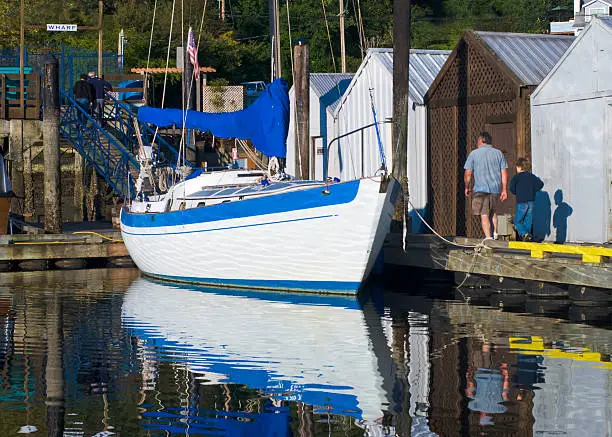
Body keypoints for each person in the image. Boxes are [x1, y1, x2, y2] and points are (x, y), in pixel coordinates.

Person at [464, 132, 508, 240]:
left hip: (480, 189)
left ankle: (488, 237)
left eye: (477, 140)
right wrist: (504, 190)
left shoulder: (474, 154)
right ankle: (496, 232)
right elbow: (504, 173)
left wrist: (467, 186)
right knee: (492, 211)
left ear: (481, 141)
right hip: (495, 189)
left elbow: (468, 173)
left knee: (484, 214)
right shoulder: (498, 154)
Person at [509, 157, 544, 241]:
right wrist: (532, 190)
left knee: (517, 221)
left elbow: (512, 188)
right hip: (531, 202)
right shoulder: (532, 176)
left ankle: (525, 234)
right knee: (528, 221)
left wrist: (518, 192)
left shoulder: (516, 177)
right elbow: (540, 184)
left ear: (519, 167)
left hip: (522, 202)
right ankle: (527, 238)